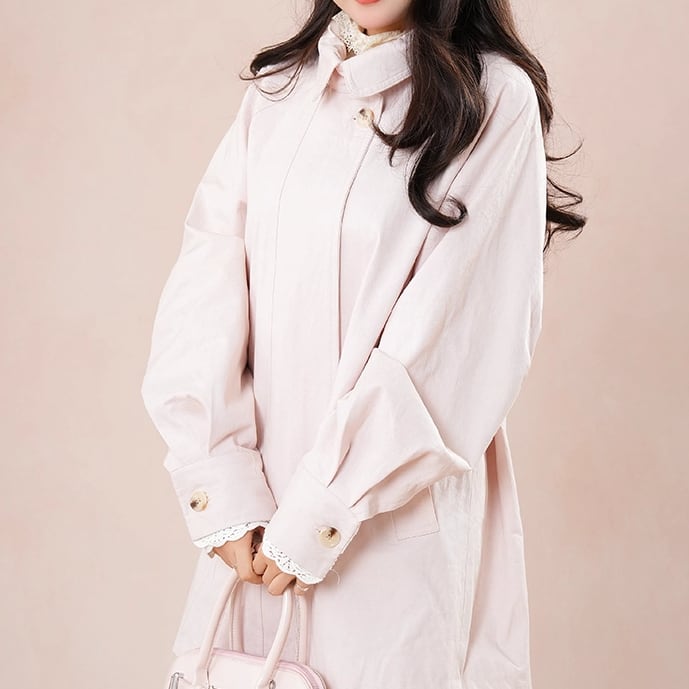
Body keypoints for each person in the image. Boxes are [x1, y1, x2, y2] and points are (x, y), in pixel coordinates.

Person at [140, 1, 586, 688]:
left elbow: (458, 340)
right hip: (251, 530)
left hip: (389, 530)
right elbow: (205, 283)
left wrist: (324, 509)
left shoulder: (494, 98)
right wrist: (219, 486)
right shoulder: (280, 89)